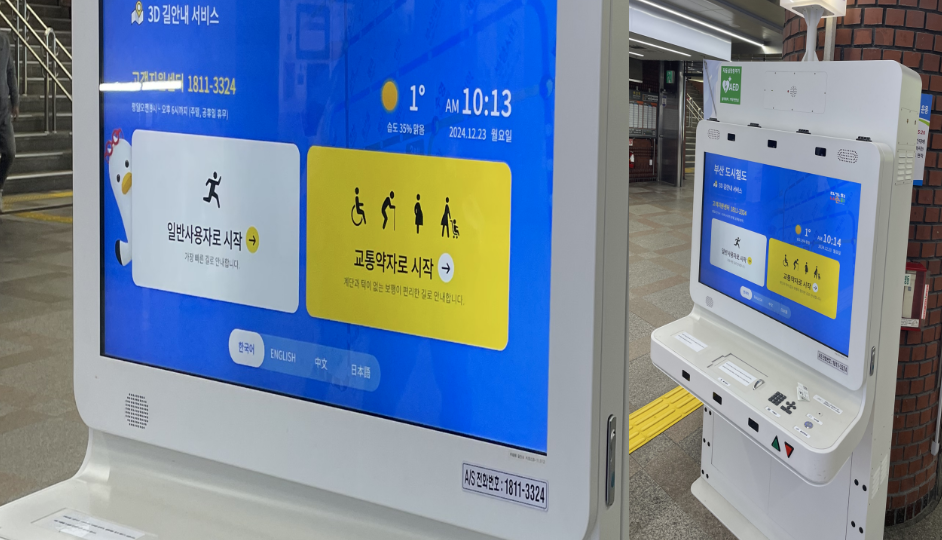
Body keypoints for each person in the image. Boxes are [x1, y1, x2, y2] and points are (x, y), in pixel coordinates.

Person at [0, 30, 18, 215]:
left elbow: (10, 72)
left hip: (3, 111)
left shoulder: (4, 41)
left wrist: (15, 101)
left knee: (10, 152)